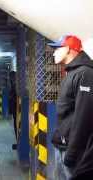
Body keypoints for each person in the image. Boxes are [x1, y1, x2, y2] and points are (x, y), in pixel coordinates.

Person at [48, 35, 93, 179]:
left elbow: (84, 118)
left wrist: (72, 155)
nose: (53, 52)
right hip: (64, 147)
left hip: (74, 153)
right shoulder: (73, 73)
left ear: (68, 49)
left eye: (57, 49)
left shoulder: (84, 74)